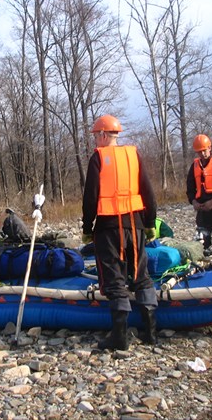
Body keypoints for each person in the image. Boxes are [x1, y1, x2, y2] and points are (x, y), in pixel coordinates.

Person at [82, 114, 158, 351]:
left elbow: (90, 197)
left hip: (108, 227)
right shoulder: (133, 155)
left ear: (104, 135)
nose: (95, 140)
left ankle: (119, 337)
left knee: (114, 278)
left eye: (96, 136)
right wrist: (150, 222)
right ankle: (150, 333)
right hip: (135, 225)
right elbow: (148, 192)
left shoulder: (99, 157)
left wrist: (87, 227)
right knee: (141, 275)